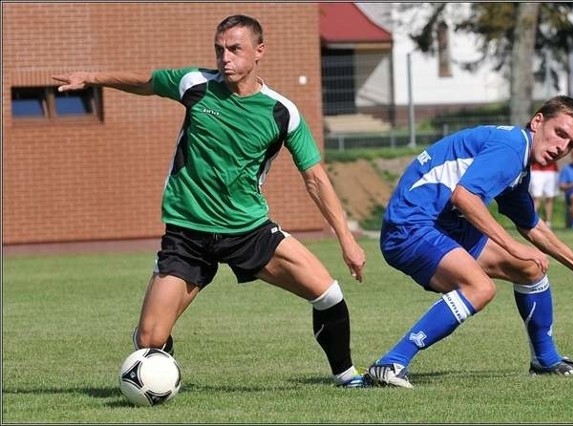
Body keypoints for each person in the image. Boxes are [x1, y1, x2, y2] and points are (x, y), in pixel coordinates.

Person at [52, 14, 369, 388]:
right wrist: (91, 78)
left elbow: (315, 178)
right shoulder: (195, 84)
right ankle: (159, 372)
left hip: (248, 231)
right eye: (219, 50)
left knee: (328, 293)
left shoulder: (282, 112)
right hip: (187, 233)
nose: (225, 58)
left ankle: (347, 376)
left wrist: (347, 241)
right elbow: (147, 81)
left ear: (259, 51)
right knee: (148, 341)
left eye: (235, 49)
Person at [364, 96, 573, 388]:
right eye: (560, 133)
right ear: (537, 121)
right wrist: (511, 245)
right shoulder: (511, 148)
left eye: (572, 144)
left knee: (530, 268)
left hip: (443, 225)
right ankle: (390, 363)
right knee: (480, 288)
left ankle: (546, 360)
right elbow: (465, 198)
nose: (563, 148)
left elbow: (531, 224)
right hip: (410, 227)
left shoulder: (518, 161)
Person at [529, 161, 559, 228]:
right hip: (536, 170)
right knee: (536, 197)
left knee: (550, 197)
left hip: (552, 171)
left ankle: (548, 221)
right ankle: (532, 220)